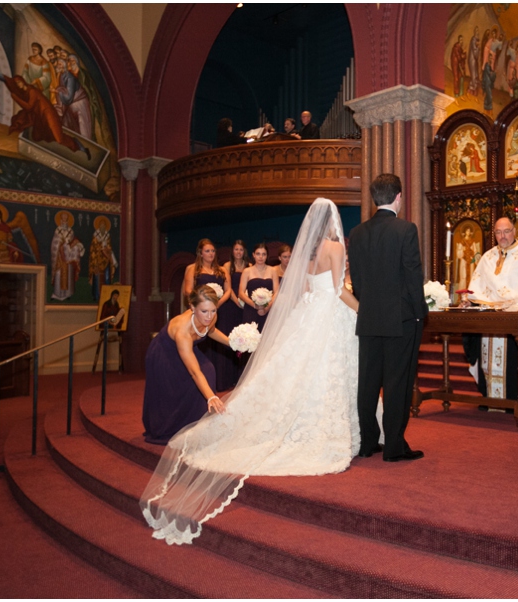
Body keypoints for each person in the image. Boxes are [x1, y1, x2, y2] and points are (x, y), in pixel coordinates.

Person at [141, 198, 360, 544]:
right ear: (333, 221)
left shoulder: (311, 251)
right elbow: (336, 290)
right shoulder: (333, 246)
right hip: (330, 316)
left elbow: (305, 291)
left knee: (303, 372)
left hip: (310, 316)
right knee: (328, 371)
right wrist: (362, 310)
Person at [349, 173, 427, 462]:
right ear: (398, 197)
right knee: (398, 383)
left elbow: (356, 281)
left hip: (368, 318)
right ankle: (393, 446)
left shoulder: (357, 233)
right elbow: (412, 275)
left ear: (374, 199)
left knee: (368, 383)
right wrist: (420, 314)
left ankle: (368, 442)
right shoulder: (405, 229)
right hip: (401, 320)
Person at [460, 217, 518, 408]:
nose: (502, 236)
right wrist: (470, 301)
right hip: (490, 324)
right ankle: (490, 398)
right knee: (486, 362)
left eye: (506, 231)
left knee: (513, 363)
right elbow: (476, 288)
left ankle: (513, 400)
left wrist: (513, 303)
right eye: (498, 232)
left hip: (513, 323)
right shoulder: (487, 257)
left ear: (514, 231)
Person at [142, 285, 228, 445]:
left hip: (187, 349)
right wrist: (211, 397)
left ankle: (198, 426)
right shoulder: (183, 330)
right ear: (192, 307)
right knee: (175, 389)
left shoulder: (210, 316)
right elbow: (195, 372)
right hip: (164, 353)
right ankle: (168, 427)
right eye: (204, 311)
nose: (209, 316)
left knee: (208, 370)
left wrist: (232, 343)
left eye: (213, 310)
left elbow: (211, 330)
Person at [182, 239, 234, 392]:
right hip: (200, 312)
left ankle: (219, 383)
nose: (211, 254)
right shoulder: (192, 269)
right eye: (207, 251)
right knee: (203, 344)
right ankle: (199, 383)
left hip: (219, 310)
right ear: (200, 253)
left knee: (218, 343)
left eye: (213, 251)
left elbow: (228, 290)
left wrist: (216, 304)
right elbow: (188, 290)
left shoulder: (222, 270)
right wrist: (204, 302)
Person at [219, 240, 250, 386]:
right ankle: (228, 377)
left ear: (244, 251)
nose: (238, 252)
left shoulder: (249, 266)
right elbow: (228, 288)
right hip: (231, 306)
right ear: (232, 251)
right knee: (230, 338)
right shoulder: (227, 266)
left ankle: (241, 377)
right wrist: (237, 302)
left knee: (244, 339)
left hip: (245, 307)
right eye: (236, 249)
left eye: (241, 250)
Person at [239, 242, 278, 332]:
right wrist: (255, 306)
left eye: (263, 254)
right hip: (251, 310)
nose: (261, 257)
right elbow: (241, 293)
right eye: (258, 254)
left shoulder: (273, 271)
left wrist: (267, 307)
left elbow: (277, 292)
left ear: (267, 256)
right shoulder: (247, 271)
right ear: (253, 255)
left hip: (269, 310)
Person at [50, 211, 85, 301]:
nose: (64, 220)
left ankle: (68, 293)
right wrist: (61, 243)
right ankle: (57, 293)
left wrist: (73, 245)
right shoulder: (57, 230)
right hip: (59, 257)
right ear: (61, 219)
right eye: (63, 218)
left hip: (68, 256)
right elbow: (55, 243)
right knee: (59, 274)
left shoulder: (70, 231)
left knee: (68, 274)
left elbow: (73, 241)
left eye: (66, 218)